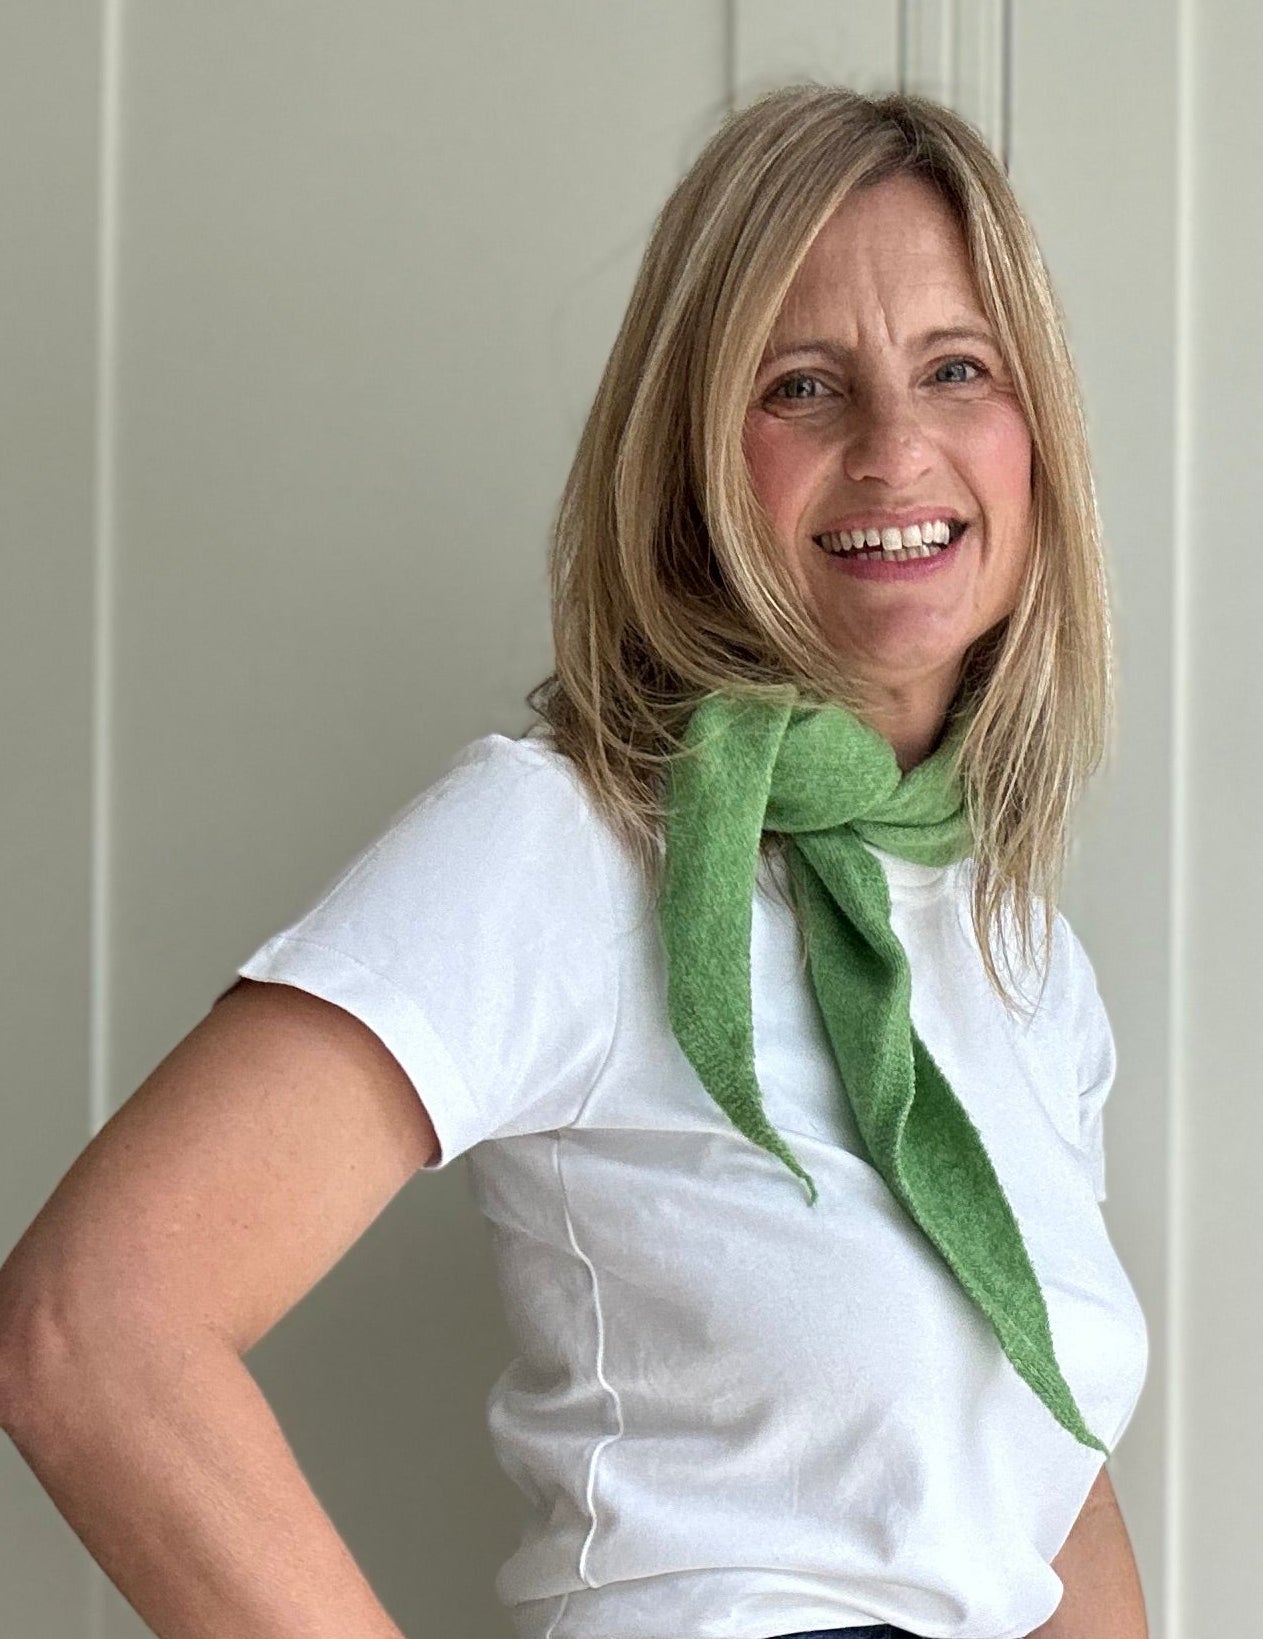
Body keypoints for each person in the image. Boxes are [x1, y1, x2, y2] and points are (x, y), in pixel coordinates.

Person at [0, 85, 1149, 1639]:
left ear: (1038, 440)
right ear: (693, 457)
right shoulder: (568, 843)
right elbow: (92, 1329)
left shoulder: (1024, 955)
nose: (896, 447)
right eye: (803, 386)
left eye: (958, 368)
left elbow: (1048, 1489)